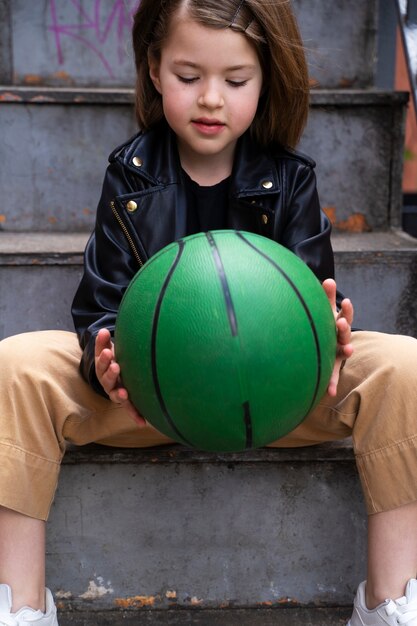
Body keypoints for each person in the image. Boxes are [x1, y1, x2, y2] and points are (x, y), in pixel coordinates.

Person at [0, 0, 417, 624]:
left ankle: (392, 601)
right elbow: (100, 306)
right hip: (149, 400)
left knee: (405, 366)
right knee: (16, 366)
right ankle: (19, 602)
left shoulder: (290, 180)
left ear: (267, 79)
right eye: (189, 77)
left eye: (236, 80)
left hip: (273, 398)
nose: (211, 99)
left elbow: (312, 297)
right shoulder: (130, 177)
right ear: (154, 70)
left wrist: (329, 337)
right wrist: (104, 361)